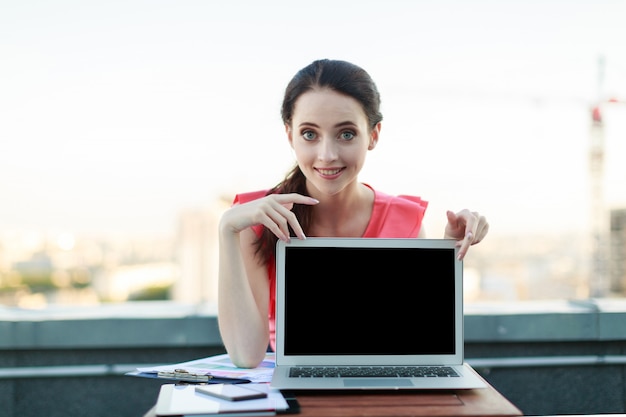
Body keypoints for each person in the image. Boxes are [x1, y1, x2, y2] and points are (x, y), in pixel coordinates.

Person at [217, 59, 489, 369]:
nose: (327, 155)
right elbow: (246, 355)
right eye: (309, 134)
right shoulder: (258, 220)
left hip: (385, 389)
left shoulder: (402, 219)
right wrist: (227, 229)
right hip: (297, 390)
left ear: (373, 135)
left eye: (346, 134)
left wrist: (444, 254)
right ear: (289, 134)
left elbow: (416, 342)